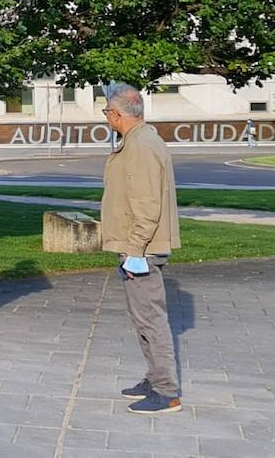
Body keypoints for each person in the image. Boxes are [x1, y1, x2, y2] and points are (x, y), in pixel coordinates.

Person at [101, 83, 183, 415]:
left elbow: (147, 204)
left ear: (117, 114)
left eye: (107, 112)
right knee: (143, 318)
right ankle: (154, 378)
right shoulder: (138, 141)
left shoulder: (141, 146)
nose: (107, 117)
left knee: (150, 319)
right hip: (139, 247)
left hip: (142, 249)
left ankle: (167, 392)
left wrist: (135, 249)